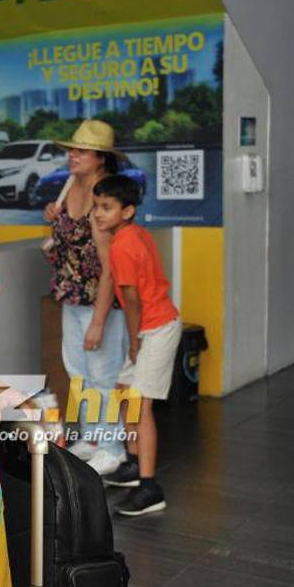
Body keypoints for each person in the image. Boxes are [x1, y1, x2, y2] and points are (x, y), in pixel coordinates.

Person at [42, 120, 130, 476]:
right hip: (71, 296)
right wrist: (53, 217)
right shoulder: (69, 187)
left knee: (104, 376)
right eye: (71, 150)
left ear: (101, 158)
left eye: (80, 151)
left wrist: (99, 320)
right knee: (79, 372)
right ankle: (93, 438)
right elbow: (68, 248)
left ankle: (114, 448)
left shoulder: (101, 199)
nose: (72, 156)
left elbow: (111, 267)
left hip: (100, 303)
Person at [92, 175, 181, 515]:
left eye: (107, 207)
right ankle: (131, 464)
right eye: (97, 206)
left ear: (127, 211)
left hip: (154, 329)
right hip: (148, 326)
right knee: (124, 391)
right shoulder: (133, 235)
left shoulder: (123, 245)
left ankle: (149, 487)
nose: (98, 214)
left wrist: (133, 344)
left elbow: (131, 301)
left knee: (140, 407)